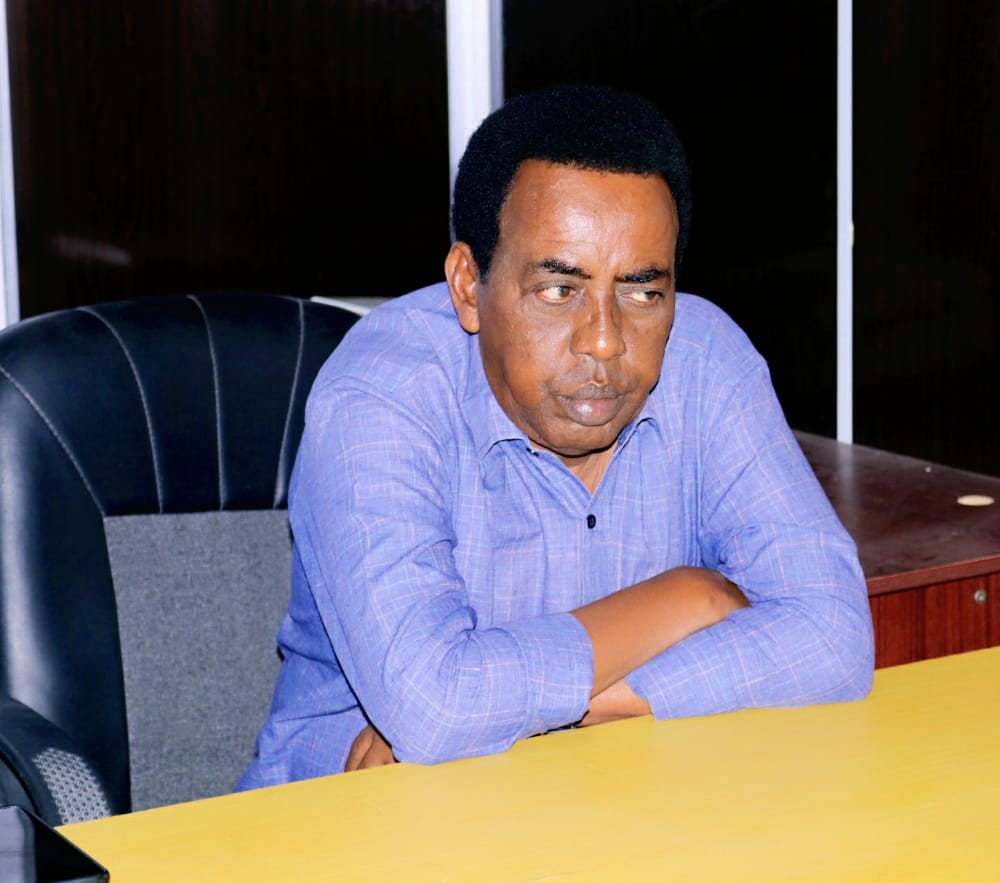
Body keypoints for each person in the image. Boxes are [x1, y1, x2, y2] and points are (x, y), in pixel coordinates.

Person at [238, 83, 874, 788]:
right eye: (557, 290)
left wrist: (542, 715)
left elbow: (835, 635)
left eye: (642, 291)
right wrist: (688, 597)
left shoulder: (707, 360)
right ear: (468, 286)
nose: (603, 340)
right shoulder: (380, 395)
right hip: (349, 820)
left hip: (620, 803)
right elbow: (434, 705)